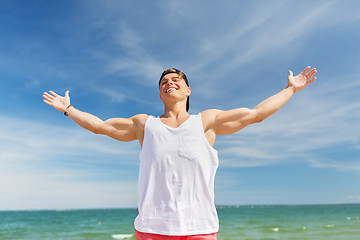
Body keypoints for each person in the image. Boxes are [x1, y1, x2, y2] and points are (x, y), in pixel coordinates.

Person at [43, 66, 317, 240]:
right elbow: (101, 127)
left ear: (187, 90)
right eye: (164, 81)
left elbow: (256, 114)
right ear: (160, 94)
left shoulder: (207, 122)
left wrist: (290, 89)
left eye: (176, 79)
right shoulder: (144, 124)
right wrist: (69, 109)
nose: (169, 82)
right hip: (152, 229)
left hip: (199, 228)